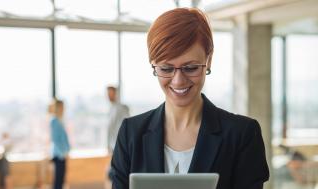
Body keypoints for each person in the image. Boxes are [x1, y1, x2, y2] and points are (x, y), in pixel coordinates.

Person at [110, 8, 269, 189]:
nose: (178, 81)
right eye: (166, 69)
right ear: (153, 64)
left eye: (191, 67)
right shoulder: (131, 133)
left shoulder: (242, 134)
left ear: (208, 60)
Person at [106, 86, 130, 182]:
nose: (108, 96)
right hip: (112, 145)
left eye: (111, 93)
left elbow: (126, 126)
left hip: (119, 145)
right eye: (107, 94)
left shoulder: (122, 108)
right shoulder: (111, 108)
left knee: (116, 174)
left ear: (116, 94)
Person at [48, 99, 70, 189]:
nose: (63, 109)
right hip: (59, 156)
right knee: (58, 182)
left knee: (61, 181)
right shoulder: (54, 121)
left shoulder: (60, 120)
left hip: (63, 155)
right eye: (62, 107)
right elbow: (55, 139)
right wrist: (64, 152)